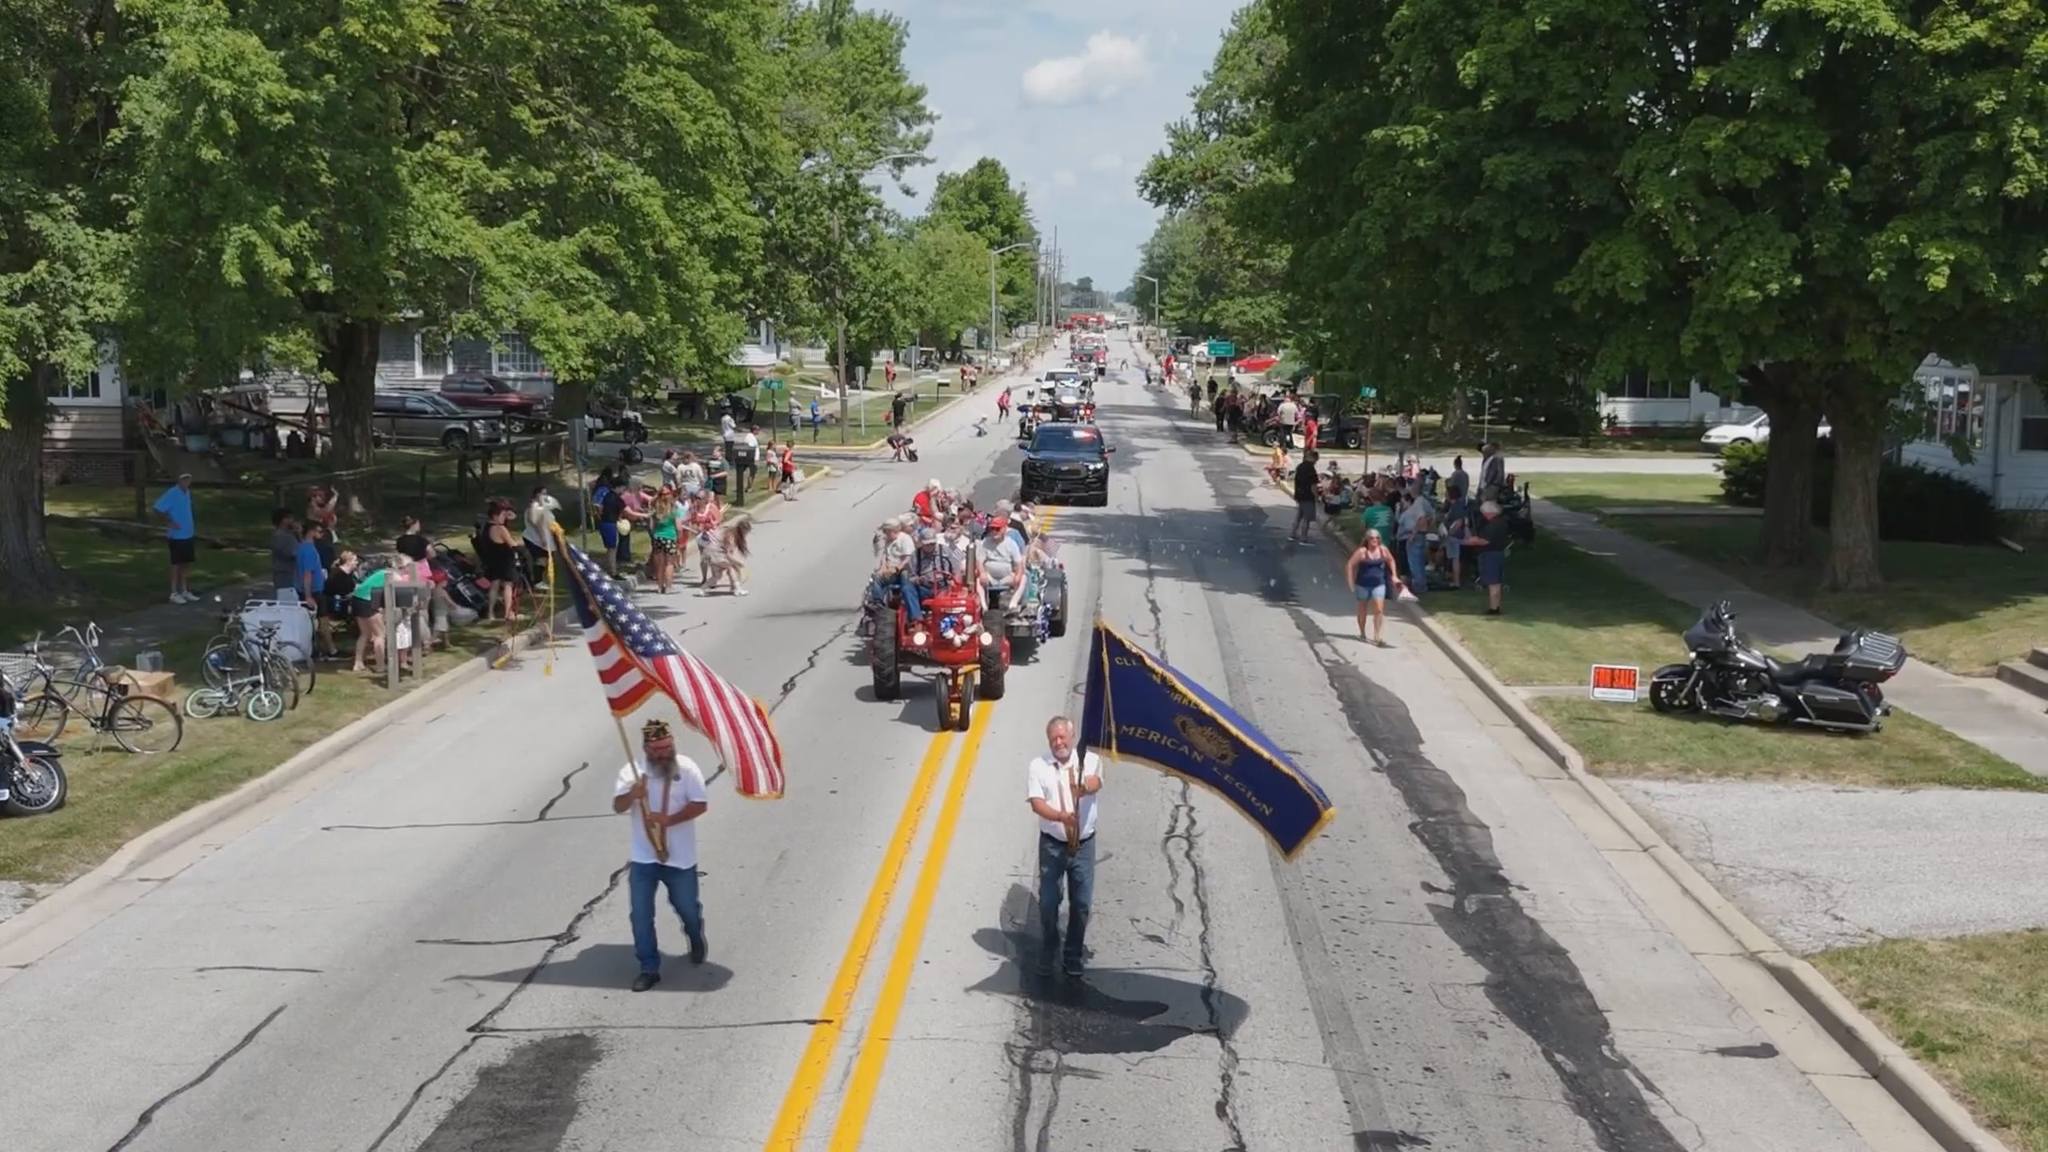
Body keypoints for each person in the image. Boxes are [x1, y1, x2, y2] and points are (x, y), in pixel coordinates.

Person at [614, 718, 710, 991]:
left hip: (680, 859)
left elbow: (700, 805)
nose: (664, 753)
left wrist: (669, 820)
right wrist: (633, 794)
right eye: (657, 749)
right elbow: (618, 806)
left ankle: (694, 934)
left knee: (687, 908)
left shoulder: (687, 769)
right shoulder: (632, 772)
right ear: (646, 749)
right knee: (641, 915)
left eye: (667, 747)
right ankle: (649, 967)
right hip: (644, 858)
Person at [1027, 715, 1103, 979]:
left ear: (1072, 737)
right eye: (1053, 739)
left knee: (1081, 904)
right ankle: (1050, 946)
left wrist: (1082, 787)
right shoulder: (1038, 766)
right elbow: (1037, 803)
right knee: (1048, 902)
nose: (1059, 742)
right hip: (1052, 845)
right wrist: (1061, 817)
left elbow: (1096, 782)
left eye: (1063, 737)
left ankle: (1072, 955)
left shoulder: (1089, 760)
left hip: (1083, 845)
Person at [1345, 527, 1402, 646]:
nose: (1374, 540)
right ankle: (1362, 632)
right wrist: (1350, 582)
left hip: (1379, 584)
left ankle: (1377, 635)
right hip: (1363, 584)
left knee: (1379, 609)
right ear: (1367, 539)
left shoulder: (1383, 550)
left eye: (1377, 538)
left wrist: (1394, 575)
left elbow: (1391, 560)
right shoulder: (1362, 552)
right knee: (1362, 608)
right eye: (1371, 538)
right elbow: (1350, 565)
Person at [153, 472, 198, 603]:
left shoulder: (187, 492)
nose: (186, 482)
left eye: (188, 479)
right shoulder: (172, 493)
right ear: (178, 480)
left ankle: (184, 590)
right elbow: (157, 508)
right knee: (176, 564)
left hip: (188, 533)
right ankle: (174, 592)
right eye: (184, 480)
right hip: (176, 535)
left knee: (186, 563)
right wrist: (169, 521)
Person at [1461, 500, 1511, 615]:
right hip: (1498, 554)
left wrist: (1472, 541)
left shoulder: (1492, 525)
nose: (1483, 515)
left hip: (1490, 555)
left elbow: (1485, 541)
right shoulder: (1502, 522)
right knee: (1497, 583)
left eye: (1484, 513)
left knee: (1493, 583)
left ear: (1489, 513)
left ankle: (1493, 609)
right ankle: (1496, 606)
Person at [868, 517, 920, 620]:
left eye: (886, 531)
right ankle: (877, 603)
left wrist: (897, 568)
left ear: (894, 530)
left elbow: (908, 558)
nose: (885, 533)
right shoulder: (889, 541)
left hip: (904, 569)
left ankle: (911, 609)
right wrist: (883, 568)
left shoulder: (905, 539)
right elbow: (885, 556)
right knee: (877, 578)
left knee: (906, 579)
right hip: (891, 568)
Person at [479, 500, 522, 621]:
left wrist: (509, 515)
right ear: (495, 515)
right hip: (505, 561)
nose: (505, 518)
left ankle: (490, 613)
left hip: (492, 559)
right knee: (508, 585)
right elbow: (512, 544)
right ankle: (508, 612)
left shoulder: (487, 527)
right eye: (503, 515)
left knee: (494, 585)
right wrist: (519, 544)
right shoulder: (500, 529)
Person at [977, 515, 1026, 616]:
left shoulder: (1011, 543)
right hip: (989, 577)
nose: (994, 531)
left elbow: (1018, 563)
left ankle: (1012, 605)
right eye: (992, 528)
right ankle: (984, 606)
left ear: (1004, 529)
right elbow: (979, 561)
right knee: (978, 580)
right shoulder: (985, 542)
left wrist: (1018, 575)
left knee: (1023, 578)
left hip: (1006, 577)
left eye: (997, 529)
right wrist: (982, 573)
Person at [1396, 488, 1435, 597]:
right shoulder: (1420, 506)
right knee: (1419, 561)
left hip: (1414, 537)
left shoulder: (1414, 509)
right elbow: (1430, 516)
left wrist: (1413, 533)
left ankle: (1419, 586)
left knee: (1415, 563)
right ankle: (1420, 584)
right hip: (1421, 535)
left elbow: (1421, 519)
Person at [647, 487, 684, 594]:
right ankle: (668, 587)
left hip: (658, 537)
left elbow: (651, 526)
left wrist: (654, 534)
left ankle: (659, 586)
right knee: (669, 563)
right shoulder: (673, 508)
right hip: (670, 537)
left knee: (659, 564)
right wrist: (679, 538)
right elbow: (679, 527)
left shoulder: (655, 508)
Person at [523, 486, 561, 581]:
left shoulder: (542, 507)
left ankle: (538, 580)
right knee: (541, 560)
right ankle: (536, 581)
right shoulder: (534, 506)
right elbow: (535, 523)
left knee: (545, 560)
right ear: (537, 494)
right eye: (543, 493)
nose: (545, 496)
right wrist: (543, 537)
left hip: (544, 537)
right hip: (535, 538)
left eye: (546, 493)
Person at [269, 509, 302, 602]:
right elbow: (295, 553)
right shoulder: (280, 536)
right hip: (285, 576)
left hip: (292, 575)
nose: (293, 521)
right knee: (287, 603)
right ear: (283, 520)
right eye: (290, 518)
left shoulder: (290, 535)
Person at [1289, 449, 1320, 543]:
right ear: (1313, 458)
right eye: (1316, 460)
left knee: (1299, 515)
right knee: (1306, 518)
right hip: (1308, 496)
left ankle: (1293, 533)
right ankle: (1303, 537)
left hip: (1299, 494)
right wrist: (1316, 496)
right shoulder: (1311, 469)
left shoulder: (1300, 466)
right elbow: (1313, 486)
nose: (1316, 462)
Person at [732, 424, 760, 507]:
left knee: (751, 472)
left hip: (752, 458)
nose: (758, 431)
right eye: (757, 430)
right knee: (752, 472)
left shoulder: (751, 437)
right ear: (754, 430)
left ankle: (747, 486)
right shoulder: (750, 437)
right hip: (751, 458)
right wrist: (754, 458)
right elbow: (750, 448)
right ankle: (749, 487)